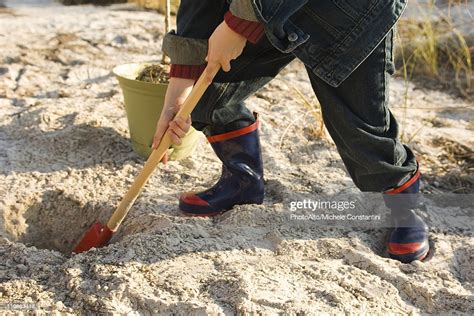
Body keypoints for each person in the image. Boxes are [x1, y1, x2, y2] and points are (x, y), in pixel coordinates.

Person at [152, 0, 429, 263]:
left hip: (349, 13)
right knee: (206, 92)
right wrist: (179, 91)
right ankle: (242, 182)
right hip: (263, 10)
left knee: (360, 129)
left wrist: (239, 24)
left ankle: (405, 207)